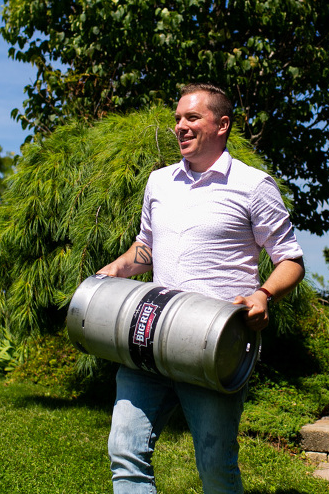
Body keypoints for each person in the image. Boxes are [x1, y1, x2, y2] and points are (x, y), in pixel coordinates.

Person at [97, 82, 305, 493]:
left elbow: (290, 260)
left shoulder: (253, 185)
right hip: (149, 335)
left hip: (214, 346)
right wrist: (117, 269)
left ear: (222, 125)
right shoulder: (159, 182)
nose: (180, 126)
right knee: (125, 452)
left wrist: (263, 295)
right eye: (177, 118)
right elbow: (146, 247)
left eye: (192, 117)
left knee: (215, 467)